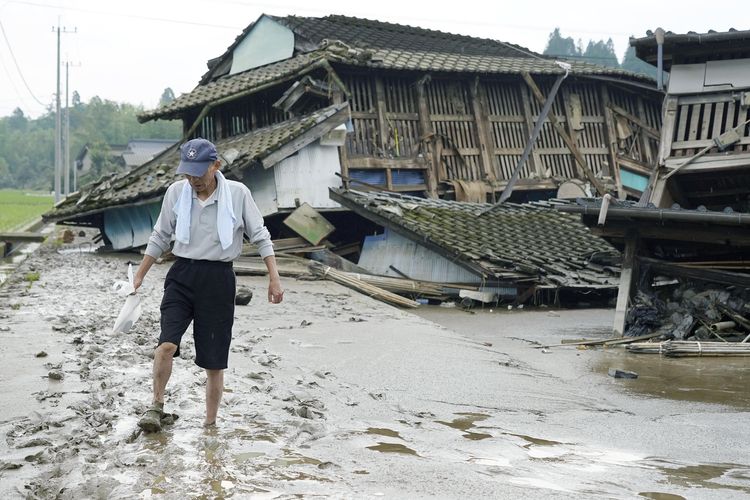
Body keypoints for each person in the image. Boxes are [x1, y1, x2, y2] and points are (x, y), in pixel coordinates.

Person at [132, 137, 283, 433]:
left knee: (214, 361)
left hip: (218, 279)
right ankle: (156, 406)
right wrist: (140, 275)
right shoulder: (177, 193)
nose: (193, 180)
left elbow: (260, 235)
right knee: (166, 344)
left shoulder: (237, 194)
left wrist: (274, 278)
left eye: (199, 173)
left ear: (216, 165)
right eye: (188, 173)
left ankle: (210, 423)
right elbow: (160, 235)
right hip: (182, 275)